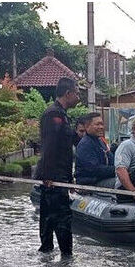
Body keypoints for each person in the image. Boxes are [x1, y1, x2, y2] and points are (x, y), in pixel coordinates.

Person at [34, 77, 80, 257]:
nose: (78, 98)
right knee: (61, 218)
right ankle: (66, 261)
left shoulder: (62, 115)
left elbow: (65, 149)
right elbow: (49, 147)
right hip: (53, 178)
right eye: (77, 93)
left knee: (49, 218)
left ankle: (51, 262)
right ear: (68, 93)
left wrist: (69, 179)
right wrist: (48, 176)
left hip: (59, 176)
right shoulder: (53, 115)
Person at [74, 112, 115, 187]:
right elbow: (95, 169)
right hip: (91, 184)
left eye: (102, 124)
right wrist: (117, 170)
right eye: (97, 124)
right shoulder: (85, 144)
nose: (101, 127)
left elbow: (112, 160)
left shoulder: (100, 141)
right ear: (87, 126)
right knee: (123, 183)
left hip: (103, 179)